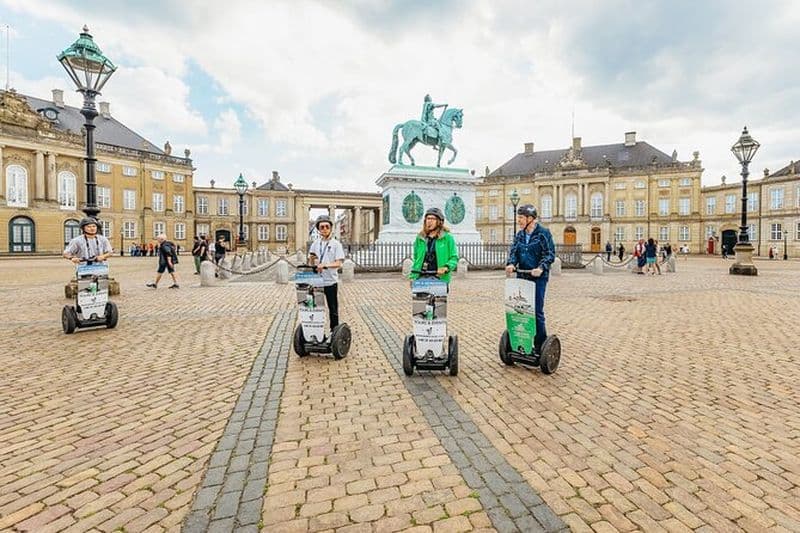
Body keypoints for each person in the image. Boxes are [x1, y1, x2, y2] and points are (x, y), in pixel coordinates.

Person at [505, 204, 555, 355]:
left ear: (530, 218)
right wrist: (511, 263)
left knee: (537, 312)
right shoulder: (520, 235)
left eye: (521, 217)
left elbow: (549, 254)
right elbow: (514, 252)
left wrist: (541, 267)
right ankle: (521, 342)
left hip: (538, 278)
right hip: (522, 276)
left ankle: (540, 346)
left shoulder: (543, 233)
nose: (518, 220)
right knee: (520, 310)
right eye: (518, 217)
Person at [308, 215, 346, 331]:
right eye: (322, 227)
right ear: (318, 230)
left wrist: (325, 265)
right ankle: (316, 331)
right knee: (316, 308)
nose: (324, 229)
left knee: (333, 309)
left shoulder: (336, 244)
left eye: (327, 227)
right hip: (317, 282)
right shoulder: (315, 244)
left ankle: (333, 331)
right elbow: (311, 260)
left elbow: (338, 263)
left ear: (330, 228)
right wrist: (312, 262)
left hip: (330, 282)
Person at [409, 207, 459, 285]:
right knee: (420, 297)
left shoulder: (447, 238)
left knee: (439, 296)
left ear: (439, 222)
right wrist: (413, 276)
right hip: (421, 276)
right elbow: (416, 258)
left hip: (439, 277)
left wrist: (446, 267)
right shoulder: (420, 238)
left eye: (433, 219)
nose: (430, 221)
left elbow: (454, 257)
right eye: (428, 219)